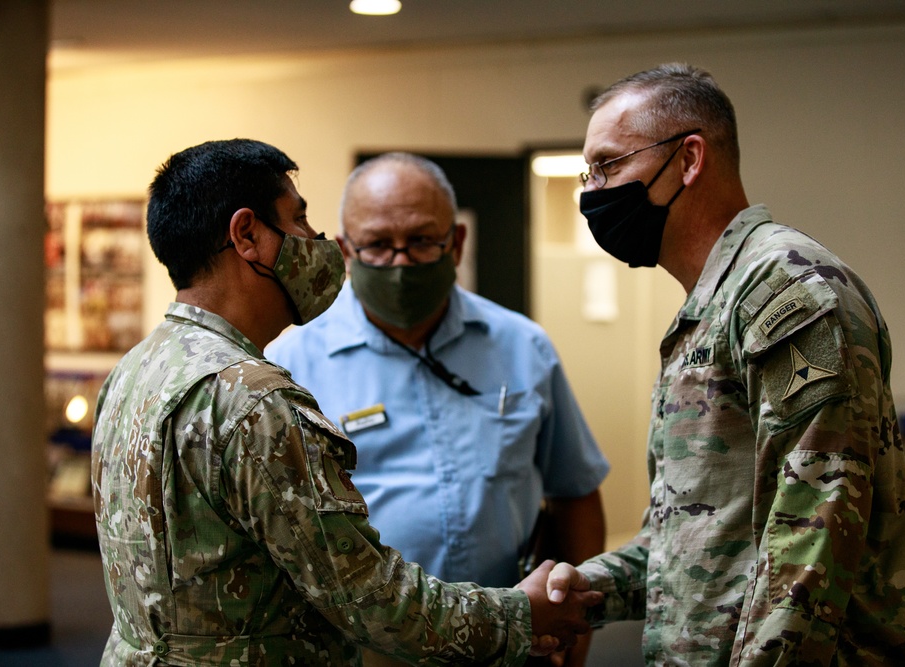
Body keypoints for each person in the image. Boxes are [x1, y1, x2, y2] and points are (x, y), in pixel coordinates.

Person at [89, 138, 601, 666]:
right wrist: (521, 617)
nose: (315, 240)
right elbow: (371, 599)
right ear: (247, 236)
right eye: (299, 219)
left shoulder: (137, 368)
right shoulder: (253, 400)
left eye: (422, 239)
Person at [544, 63, 905, 665]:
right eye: (588, 173)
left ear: (689, 159)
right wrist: (582, 588)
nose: (593, 191)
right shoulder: (713, 305)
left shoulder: (786, 293)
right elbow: (689, 536)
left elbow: (813, 535)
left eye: (610, 165)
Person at [266, 152, 610, 666]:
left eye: (423, 240)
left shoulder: (522, 347)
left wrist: (573, 641)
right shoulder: (289, 367)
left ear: (457, 243)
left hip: (508, 636)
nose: (401, 262)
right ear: (345, 251)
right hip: (359, 647)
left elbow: (575, 493)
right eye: (379, 245)